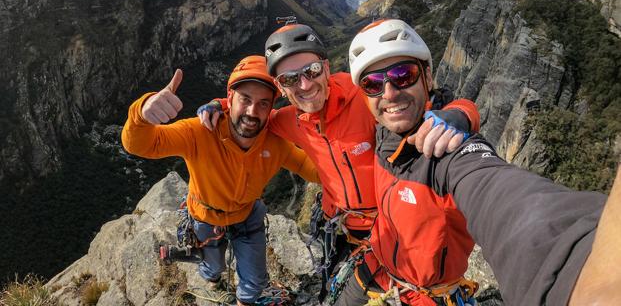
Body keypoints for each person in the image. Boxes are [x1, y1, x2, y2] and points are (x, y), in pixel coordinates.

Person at [334, 18, 612, 306]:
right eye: (373, 84)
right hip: (373, 268)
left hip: (425, 297)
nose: (389, 93)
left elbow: (497, 191)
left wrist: (573, 262)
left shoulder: (449, 151)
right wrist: (465, 110)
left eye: (403, 74)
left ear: (427, 77)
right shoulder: (382, 130)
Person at [197, 21, 480, 300]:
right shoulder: (289, 119)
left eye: (311, 71)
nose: (304, 85)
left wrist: (462, 114)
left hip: (386, 226)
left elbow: (428, 104)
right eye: (290, 79)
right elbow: (252, 113)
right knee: (332, 289)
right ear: (281, 88)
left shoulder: (365, 96)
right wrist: (220, 105)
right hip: (339, 228)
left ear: (326, 68)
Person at [121, 56, 319, 306]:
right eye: (245, 99)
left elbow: (306, 166)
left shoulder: (275, 141)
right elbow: (140, 144)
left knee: (255, 280)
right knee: (211, 264)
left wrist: (349, 169)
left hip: (247, 215)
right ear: (230, 98)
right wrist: (142, 113)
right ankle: (213, 280)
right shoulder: (200, 132)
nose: (252, 112)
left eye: (262, 104)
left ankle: (244, 300)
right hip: (206, 216)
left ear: (271, 108)